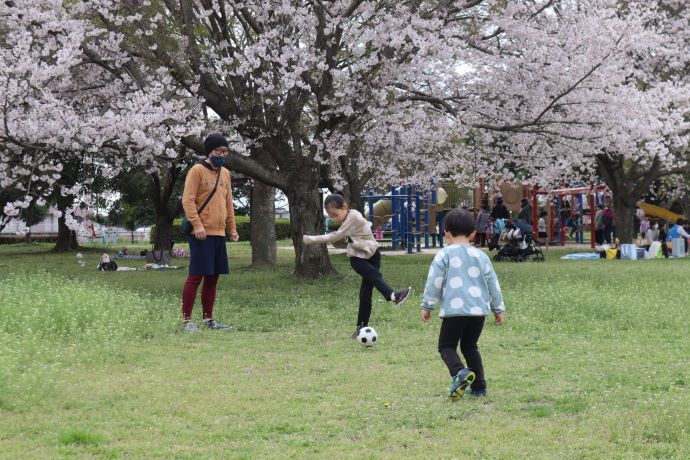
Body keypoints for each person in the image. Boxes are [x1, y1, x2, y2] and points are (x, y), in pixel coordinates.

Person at [420, 209, 506, 399]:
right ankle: (479, 387)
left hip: (455, 311)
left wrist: (427, 306)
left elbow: (434, 282)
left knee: (446, 346)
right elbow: (493, 283)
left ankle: (460, 372)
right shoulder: (481, 256)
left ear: (446, 232)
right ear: (473, 233)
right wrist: (498, 308)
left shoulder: (444, 255)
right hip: (478, 312)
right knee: (470, 347)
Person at [303, 192, 411, 338]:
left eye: (335, 214)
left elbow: (336, 236)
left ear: (345, 207)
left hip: (373, 255)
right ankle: (393, 296)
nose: (334, 218)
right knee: (373, 279)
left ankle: (362, 327)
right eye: (331, 216)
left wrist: (311, 239)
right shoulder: (348, 218)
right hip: (357, 258)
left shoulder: (352, 216)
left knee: (366, 293)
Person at [180, 133, 240, 332]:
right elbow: (187, 200)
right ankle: (187, 321)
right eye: (218, 151)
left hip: (219, 233)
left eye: (225, 151)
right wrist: (197, 225)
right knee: (196, 275)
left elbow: (228, 203)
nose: (222, 154)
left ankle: (209, 319)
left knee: (213, 277)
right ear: (209, 151)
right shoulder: (196, 170)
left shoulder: (225, 174)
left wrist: (232, 228)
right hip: (201, 233)